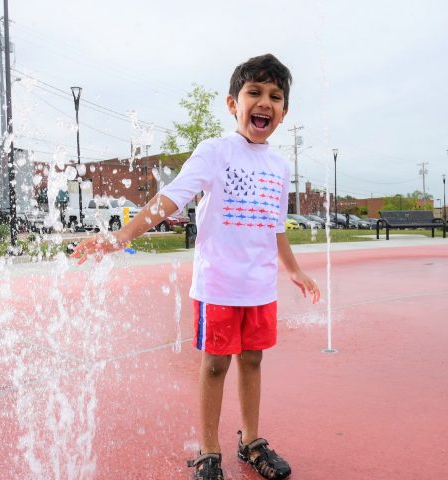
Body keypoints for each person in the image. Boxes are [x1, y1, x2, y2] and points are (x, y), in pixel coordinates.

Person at [71, 53, 319, 480]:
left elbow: (277, 227)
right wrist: (123, 236)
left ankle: (251, 442)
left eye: (274, 97)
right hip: (219, 286)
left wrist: (293, 269)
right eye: (253, 93)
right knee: (216, 364)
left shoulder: (280, 166)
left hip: (260, 287)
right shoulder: (214, 152)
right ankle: (208, 451)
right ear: (232, 104)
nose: (264, 102)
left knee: (253, 361)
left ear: (284, 112)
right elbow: (171, 198)